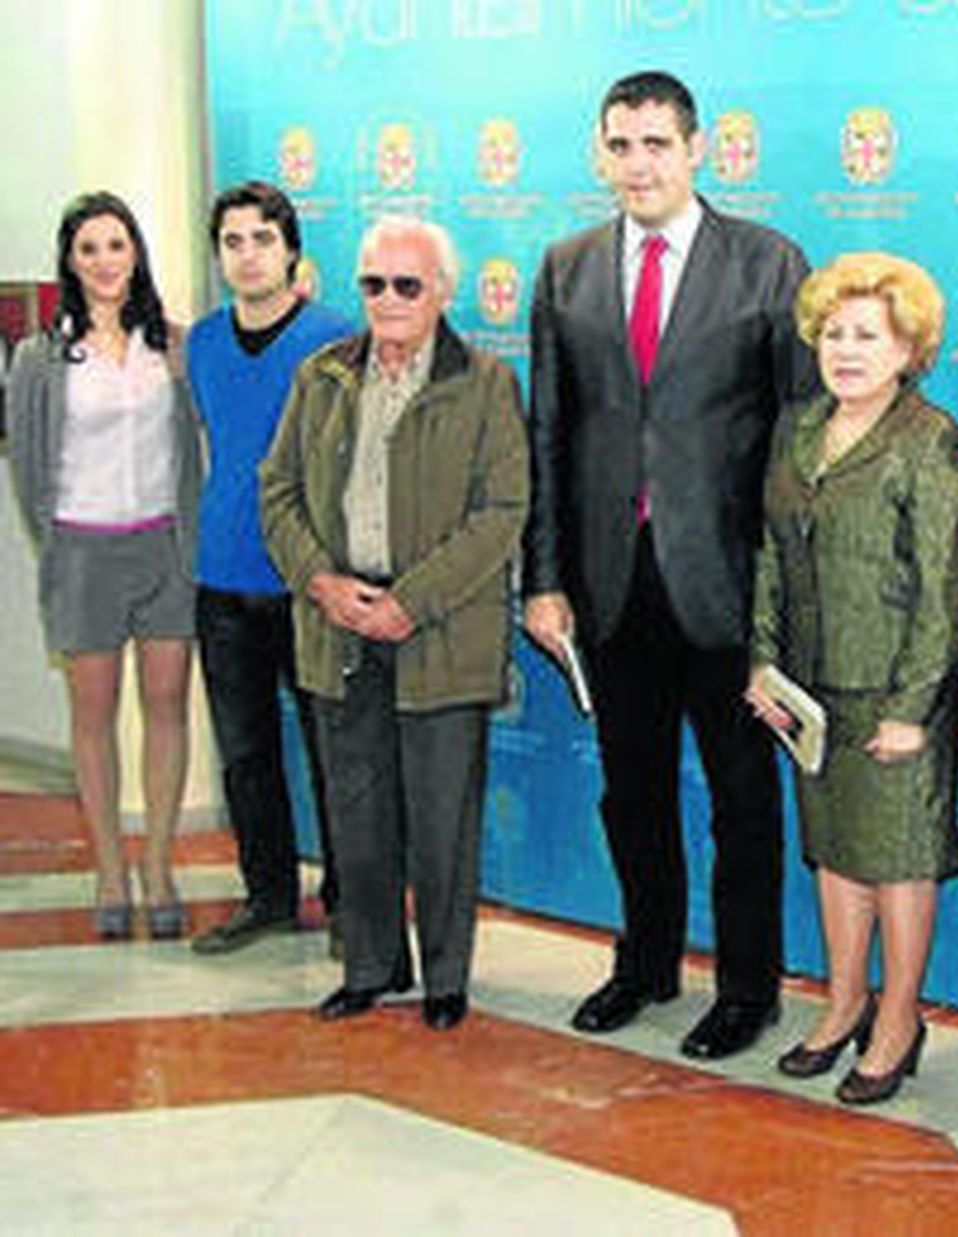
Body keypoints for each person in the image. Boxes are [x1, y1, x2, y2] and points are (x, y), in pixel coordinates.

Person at [522, 70, 818, 1060]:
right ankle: (645, 962)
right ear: (600, 154)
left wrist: (784, 594)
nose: (638, 163)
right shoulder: (565, 268)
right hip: (609, 585)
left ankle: (747, 991)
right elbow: (549, 432)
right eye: (621, 144)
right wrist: (544, 577)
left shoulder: (769, 263)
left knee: (743, 798)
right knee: (632, 790)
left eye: (657, 143)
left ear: (698, 150)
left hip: (728, 586)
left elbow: (799, 439)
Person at [260, 216, 529, 1032]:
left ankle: (446, 978)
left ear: (442, 292)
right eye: (373, 283)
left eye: (407, 284)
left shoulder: (485, 382)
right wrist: (320, 582)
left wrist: (413, 599)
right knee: (358, 809)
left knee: (443, 817)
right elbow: (277, 491)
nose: (388, 299)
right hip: (338, 624)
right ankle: (371, 966)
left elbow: (502, 509)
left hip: (438, 628)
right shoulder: (321, 376)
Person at [747, 253, 958, 1105]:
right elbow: (770, 554)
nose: (846, 350)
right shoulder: (798, 426)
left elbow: (946, 585)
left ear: (908, 349)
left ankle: (899, 1021)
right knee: (836, 851)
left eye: (868, 336)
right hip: (810, 689)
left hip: (894, 693)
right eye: (834, 333)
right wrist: (763, 663)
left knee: (898, 861)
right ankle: (844, 1003)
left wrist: (913, 708)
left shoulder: (929, 438)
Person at [6, 191, 200, 941]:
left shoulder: (172, 346)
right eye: (88, 248)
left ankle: (158, 865)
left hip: (165, 547)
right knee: (92, 716)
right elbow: (28, 462)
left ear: (135, 253)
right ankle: (111, 869)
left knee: (166, 705)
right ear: (70, 260)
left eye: (116, 245)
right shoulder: (41, 356)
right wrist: (58, 542)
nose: (104, 261)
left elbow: (192, 449)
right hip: (83, 549)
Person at [187, 181, 352, 957]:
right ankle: (269, 896)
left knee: (332, 750)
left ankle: (351, 902)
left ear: (291, 250)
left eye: (262, 238)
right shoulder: (201, 343)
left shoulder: (336, 338)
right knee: (245, 752)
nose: (248, 254)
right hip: (222, 577)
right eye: (232, 241)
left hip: (310, 582)